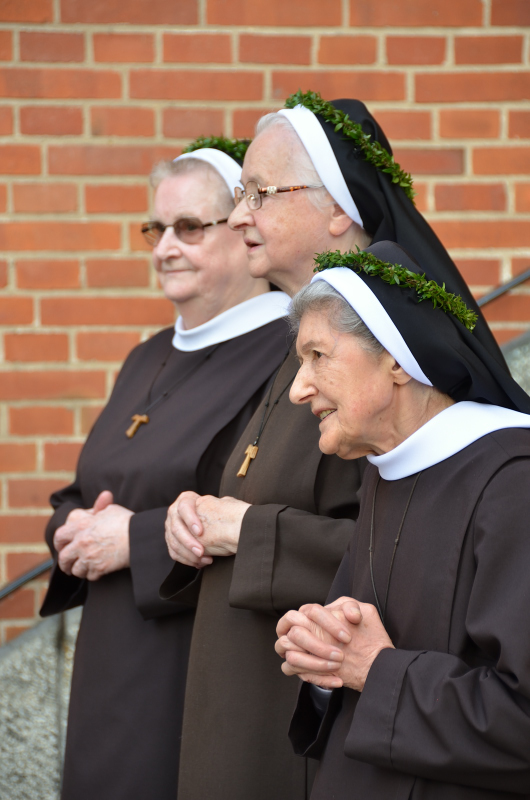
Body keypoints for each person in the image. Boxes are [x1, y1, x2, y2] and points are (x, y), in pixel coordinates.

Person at [161, 93, 504, 800]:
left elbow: (421, 568)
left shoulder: (428, 422)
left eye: (259, 192)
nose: (238, 215)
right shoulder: (299, 359)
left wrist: (248, 531)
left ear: (340, 209)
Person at [39, 141, 290, 800]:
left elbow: (267, 511)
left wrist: (135, 539)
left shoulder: (289, 354)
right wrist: (70, 529)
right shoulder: (145, 356)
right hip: (107, 663)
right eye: (157, 228)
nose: (165, 248)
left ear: (243, 231)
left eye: (188, 227)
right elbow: (85, 488)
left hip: (197, 665)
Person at [276, 240, 530, 799]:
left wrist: (372, 668)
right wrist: (324, 658)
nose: (298, 389)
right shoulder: (386, 472)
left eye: (318, 355)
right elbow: (357, 661)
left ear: (395, 358)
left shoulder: (514, 482)